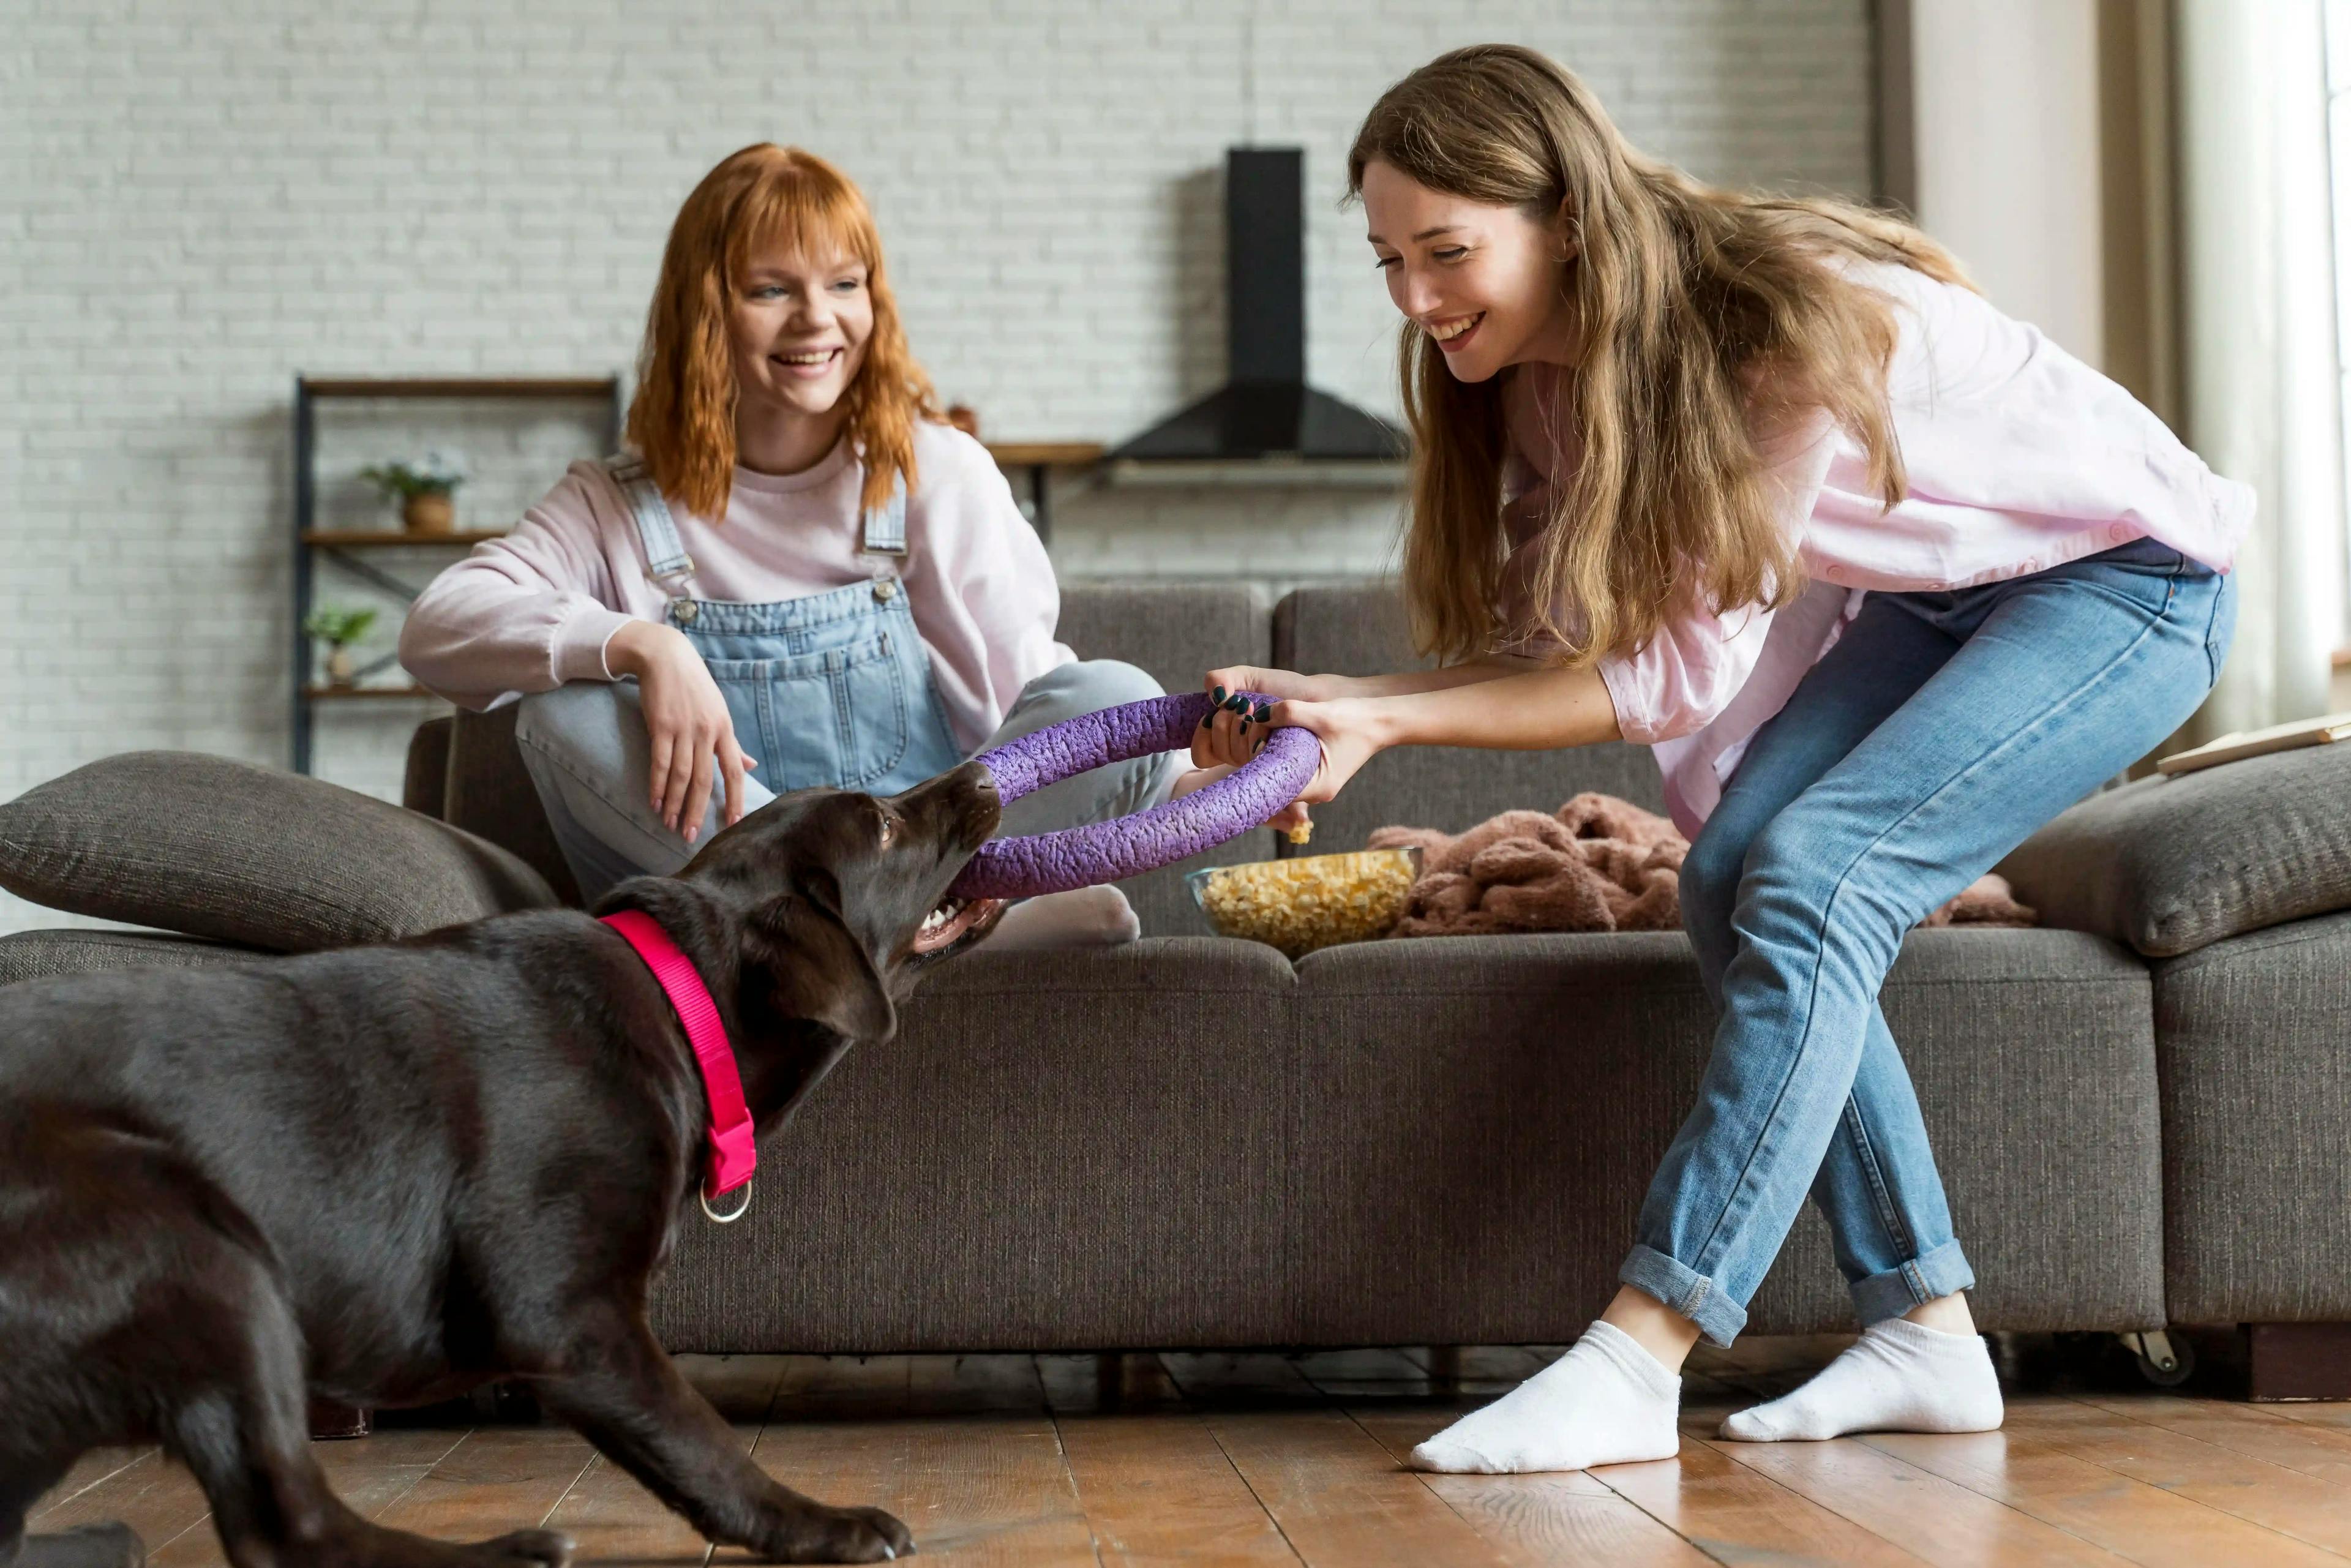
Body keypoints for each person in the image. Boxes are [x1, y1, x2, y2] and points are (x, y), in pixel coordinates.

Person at [1191, 45, 2246, 1471]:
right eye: (1388, 259)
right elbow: (1563, 645)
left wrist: (1379, 715)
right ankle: (1927, 1334)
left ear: (1567, 217)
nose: (1416, 300)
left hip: (2125, 585)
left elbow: (1667, 677)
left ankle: (1640, 1352)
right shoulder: (1537, 376)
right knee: (1730, 874)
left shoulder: (1772, 334)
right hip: (1941, 601)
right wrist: (1338, 702)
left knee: (1811, 877)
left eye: (1448, 252)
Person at [402, 144, 1173, 946]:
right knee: (562, 705)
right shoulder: (614, 504)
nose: (817, 319)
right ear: (705, 312)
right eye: (771, 290)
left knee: (1118, 695)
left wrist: (1190, 774)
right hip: (735, 911)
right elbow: (436, 626)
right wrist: (644, 646)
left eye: (845, 284)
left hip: (921, 863)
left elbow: (1027, 700)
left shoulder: (937, 474)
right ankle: (900, 936)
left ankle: (869, 934)